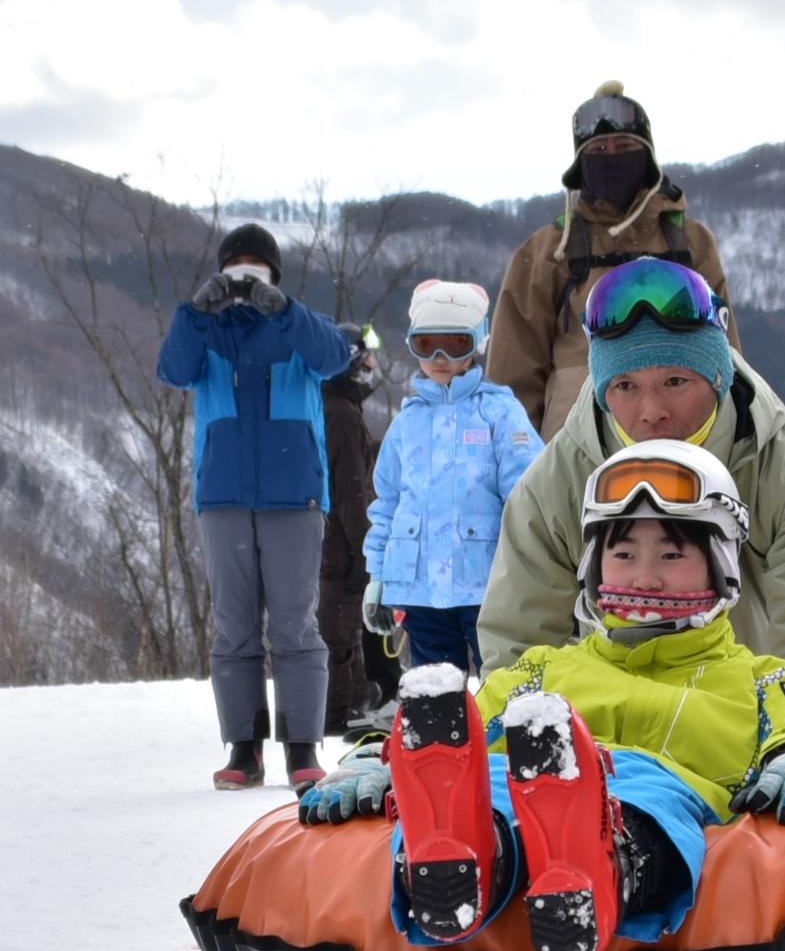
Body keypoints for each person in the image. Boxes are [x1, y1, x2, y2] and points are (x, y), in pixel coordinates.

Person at [301, 441, 785, 951]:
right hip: (524, 786)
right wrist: (378, 759)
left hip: (652, 794)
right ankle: (464, 860)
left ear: (721, 564)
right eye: (623, 553)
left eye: (673, 555)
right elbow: (466, 731)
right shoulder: (545, 671)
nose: (646, 577)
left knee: (646, 797)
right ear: (594, 569)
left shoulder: (756, 678)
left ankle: (597, 871)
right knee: (492, 779)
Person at [478, 257, 785, 718]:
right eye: (625, 385)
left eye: (676, 381)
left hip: (739, 721)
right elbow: (518, 642)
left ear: (717, 378)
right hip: (606, 730)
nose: (651, 410)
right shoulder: (554, 484)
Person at [156, 223, 351, 790]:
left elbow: (335, 356)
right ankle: (243, 750)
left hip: (295, 495)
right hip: (223, 495)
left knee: (295, 624)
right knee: (234, 628)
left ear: (274, 277)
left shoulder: (299, 327)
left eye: (255, 270)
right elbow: (173, 370)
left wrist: (282, 309)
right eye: (235, 270)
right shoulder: (205, 332)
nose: (245, 280)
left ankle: (302, 748)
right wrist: (196, 312)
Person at [487, 83, 741, 440]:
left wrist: (735, 434)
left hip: (683, 433)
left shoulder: (691, 243)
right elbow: (512, 374)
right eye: (599, 150)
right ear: (581, 165)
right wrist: (515, 462)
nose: (612, 156)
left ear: (647, 159)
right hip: (575, 445)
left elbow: (727, 354)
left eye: (625, 147)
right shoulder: (548, 251)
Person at [363, 282, 540, 675]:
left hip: (486, 586)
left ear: (478, 343)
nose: (440, 358)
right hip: (419, 589)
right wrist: (378, 576)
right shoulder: (407, 423)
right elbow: (387, 503)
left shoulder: (500, 414)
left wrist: (535, 576)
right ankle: (440, 741)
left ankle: (501, 738)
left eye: (455, 344)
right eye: (427, 345)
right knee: (435, 698)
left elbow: (528, 498)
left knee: (504, 684)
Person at [319, 324, 381, 736]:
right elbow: (352, 489)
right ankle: (339, 707)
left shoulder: (339, 407)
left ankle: (354, 694)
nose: (373, 366)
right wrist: (365, 549)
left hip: (335, 538)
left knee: (345, 621)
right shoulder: (339, 412)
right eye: (367, 358)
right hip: (339, 542)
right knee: (340, 622)